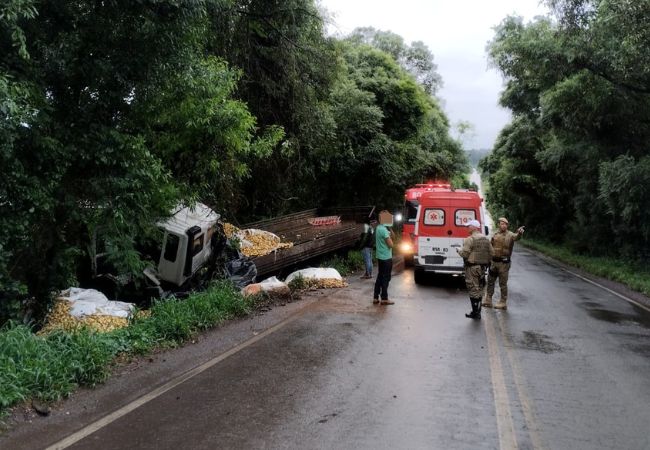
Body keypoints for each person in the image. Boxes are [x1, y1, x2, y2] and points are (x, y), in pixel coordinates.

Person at [483, 217, 525, 310]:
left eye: (506, 224)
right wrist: (488, 261)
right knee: (490, 281)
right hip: (494, 262)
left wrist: (519, 233)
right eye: (502, 224)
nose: (504, 225)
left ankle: (503, 302)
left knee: (503, 283)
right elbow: (490, 248)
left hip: (504, 263)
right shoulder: (495, 234)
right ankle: (488, 299)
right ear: (499, 225)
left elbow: (517, 237)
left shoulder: (510, 235)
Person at [457, 219, 493, 320]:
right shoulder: (486, 239)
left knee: (473, 289)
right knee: (480, 289)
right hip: (482, 268)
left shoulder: (469, 239)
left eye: (469, 226)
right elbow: (492, 253)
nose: (467, 228)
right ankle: (478, 311)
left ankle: (475, 313)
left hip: (472, 268)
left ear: (474, 227)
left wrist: (458, 250)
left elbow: (464, 254)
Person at [373, 211, 395, 305]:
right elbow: (391, 244)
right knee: (386, 278)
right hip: (386, 257)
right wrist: (388, 232)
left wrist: (389, 227)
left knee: (380, 276)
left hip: (380, 257)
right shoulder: (384, 230)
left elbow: (393, 236)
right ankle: (384, 298)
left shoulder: (379, 228)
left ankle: (375, 297)